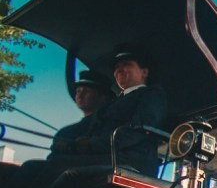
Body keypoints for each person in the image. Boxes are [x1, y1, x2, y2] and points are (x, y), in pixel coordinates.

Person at [48, 47, 169, 175]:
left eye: (127, 64)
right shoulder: (112, 104)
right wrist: (64, 142)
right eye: (117, 67)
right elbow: (86, 126)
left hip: (130, 161)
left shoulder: (152, 94)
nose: (119, 70)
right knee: (50, 161)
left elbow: (136, 132)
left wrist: (89, 146)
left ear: (144, 72)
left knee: (54, 166)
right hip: (107, 156)